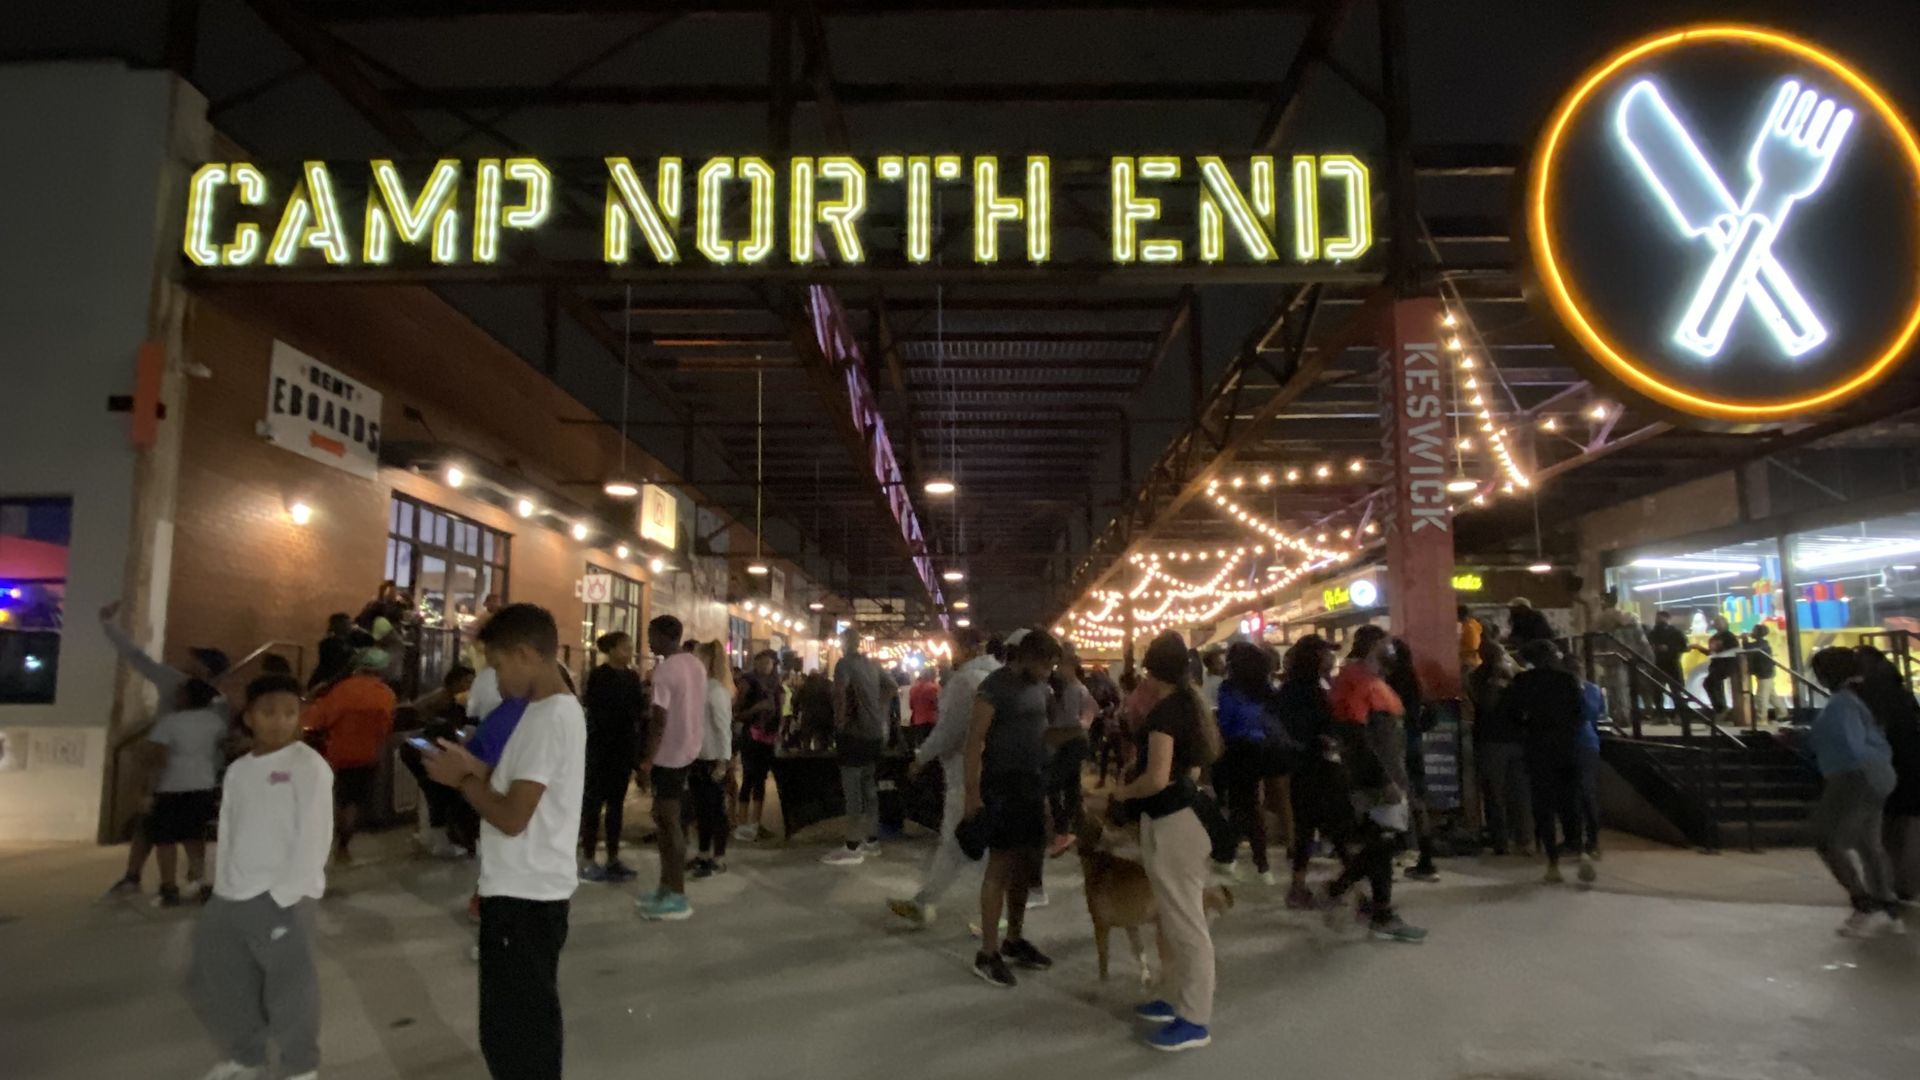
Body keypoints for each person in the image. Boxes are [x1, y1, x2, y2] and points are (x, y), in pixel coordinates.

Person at [423, 603, 588, 1079]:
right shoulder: (542, 713)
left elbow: (514, 816)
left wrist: (463, 783)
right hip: (523, 891)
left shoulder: (551, 717)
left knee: (517, 1038)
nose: (494, 680)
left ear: (524, 655)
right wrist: (475, 770)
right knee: (514, 1028)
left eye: (496, 667)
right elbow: (518, 786)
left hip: (526, 897)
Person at [190, 673, 331, 1080]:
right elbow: (229, 829)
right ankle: (246, 1057)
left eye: (290, 712)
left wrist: (288, 894)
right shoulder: (238, 770)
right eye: (269, 712)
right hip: (231, 896)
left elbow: (315, 834)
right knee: (228, 984)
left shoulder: (309, 767)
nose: (280, 721)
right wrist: (220, 885)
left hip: (280, 897)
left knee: (291, 991)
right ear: (248, 718)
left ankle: (300, 1068)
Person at [1112, 631, 1225, 1052]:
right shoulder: (1190, 707)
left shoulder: (1164, 714)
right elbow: (1189, 772)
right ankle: (1176, 997)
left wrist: (1122, 793)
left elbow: (1156, 778)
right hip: (1185, 819)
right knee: (1174, 917)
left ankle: (1195, 1018)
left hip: (1172, 825)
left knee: (1185, 922)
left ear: (1148, 670)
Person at [99, 602, 232, 900]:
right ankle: (195, 880)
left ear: (205, 669)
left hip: (166, 772)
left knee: (160, 829)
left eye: (195, 660)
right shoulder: (219, 704)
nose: (187, 661)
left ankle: (149, 880)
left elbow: (137, 658)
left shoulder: (175, 684)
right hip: (199, 777)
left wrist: (108, 625)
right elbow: (222, 741)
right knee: (186, 831)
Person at [965, 627, 1062, 988]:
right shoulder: (994, 687)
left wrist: (1049, 795)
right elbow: (973, 742)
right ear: (1027, 657)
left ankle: (1014, 939)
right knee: (1000, 866)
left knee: (1025, 865)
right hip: (1001, 786)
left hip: (1032, 784)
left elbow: (1044, 735)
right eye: (1045, 663)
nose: (1049, 671)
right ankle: (987, 952)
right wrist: (972, 795)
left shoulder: (1042, 689)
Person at [889, 628, 998, 928]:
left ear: (963, 648)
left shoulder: (964, 681)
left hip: (964, 772)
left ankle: (987, 911)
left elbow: (949, 730)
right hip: (995, 771)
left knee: (957, 840)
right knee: (974, 843)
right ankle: (927, 902)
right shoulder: (998, 676)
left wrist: (921, 757)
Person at [1326, 626, 1426, 942]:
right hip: (1376, 779)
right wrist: (1382, 779)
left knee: (1381, 842)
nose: (1391, 647)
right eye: (1386, 642)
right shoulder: (1358, 682)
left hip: (1384, 775)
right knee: (1384, 842)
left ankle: (1342, 889)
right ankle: (1379, 912)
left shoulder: (1371, 680)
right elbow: (1356, 734)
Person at [1804, 647, 1903, 937]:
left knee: (1826, 839)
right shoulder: (1865, 697)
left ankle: (1863, 903)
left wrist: (1810, 742)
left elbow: (1850, 744)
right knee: (1868, 843)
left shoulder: (1842, 703)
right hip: (1880, 773)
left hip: (1852, 776)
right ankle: (1888, 905)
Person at [1501, 640, 1593, 884]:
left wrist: (1528, 727)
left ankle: (1552, 862)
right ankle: (1581, 850)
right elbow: (1581, 713)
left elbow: (1511, 713)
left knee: (1543, 805)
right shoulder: (1568, 680)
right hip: (1567, 747)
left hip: (1538, 748)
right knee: (1571, 800)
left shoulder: (1523, 682)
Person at [132, 674, 228, 906]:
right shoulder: (215, 723)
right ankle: (203, 884)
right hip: (203, 784)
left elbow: (156, 758)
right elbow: (224, 747)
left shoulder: (170, 722)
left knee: (165, 840)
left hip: (170, 786)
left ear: (186, 697)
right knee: (195, 837)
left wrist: (145, 790)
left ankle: (169, 888)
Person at [300, 648, 397, 866]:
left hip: (335, 753)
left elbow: (317, 721)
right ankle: (343, 846)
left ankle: (327, 840)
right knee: (352, 801)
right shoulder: (386, 694)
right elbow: (386, 727)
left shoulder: (341, 690)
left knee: (335, 798)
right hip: (368, 754)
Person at [636, 615, 704, 921]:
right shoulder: (695, 664)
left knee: (668, 823)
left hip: (669, 754)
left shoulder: (665, 671)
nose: (648, 641)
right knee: (667, 822)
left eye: (651, 634)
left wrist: (647, 760)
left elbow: (659, 720)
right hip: (689, 748)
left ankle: (677, 896)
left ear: (665, 636)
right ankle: (665, 887)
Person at [1276, 635, 1342, 909]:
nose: (1332, 658)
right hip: (1315, 765)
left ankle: (1302, 887)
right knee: (1334, 827)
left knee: (1310, 827)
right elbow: (1315, 728)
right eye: (1326, 653)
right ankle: (1348, 887)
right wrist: (1323, 740)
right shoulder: (1307, 691)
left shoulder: (1301, 688)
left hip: (1304, 766)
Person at [1854, 646, 1920, 901]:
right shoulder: (1903, 696)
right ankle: (1902, 883)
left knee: (1883, 831)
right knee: (1904, 829)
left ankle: (1887, 883)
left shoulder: (1868, 697)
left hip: (1885, 767)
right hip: (1906, 765)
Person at [1212, 641, 1280, 885]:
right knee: (1249, 806)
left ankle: (1241, 859)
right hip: (1262, 751)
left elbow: (1227, 723)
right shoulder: (1264, 689)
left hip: (1238, 750)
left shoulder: (1229, 690)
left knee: (1245, 806)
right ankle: (1252, 863)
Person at [580, 632, 645, 883]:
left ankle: (613, 857)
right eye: (626, 647)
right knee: (594, 804)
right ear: (613, 649)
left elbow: (638, 709)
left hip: (622, 748)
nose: (630, 651)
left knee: (617, 805)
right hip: (601, 748)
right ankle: (588, 858)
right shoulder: (599, 675)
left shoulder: (631, 676)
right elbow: (597, 710)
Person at [826, 627, 889, 865]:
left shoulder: (844, 664)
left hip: (853, 734)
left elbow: (841, 694)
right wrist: (877, 708)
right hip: (874, 734)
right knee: (870, 789)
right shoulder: (873, 665)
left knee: (852, 791)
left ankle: (852, 846)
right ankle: (872, 841)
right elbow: (891, 686)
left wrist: (840, 723)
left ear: (844, 642)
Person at [400, 664, 478, 858]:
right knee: (438, 794)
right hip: (423, 751)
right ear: (455, 680)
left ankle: (435, 838)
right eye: (466, 681)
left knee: (436, 795)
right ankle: (440, 840)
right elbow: (444, 729)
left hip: (424, 749)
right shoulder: (443, 701)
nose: (469, 686)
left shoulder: (446, 698)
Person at [1383, 637, 1440, 882]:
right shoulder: (1416, 679)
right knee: (1417, 797)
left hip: (1395, 743)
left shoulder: (1388, 682)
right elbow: (1433, 711)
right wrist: (1417, 727)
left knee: (1391, 797)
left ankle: (1398, 851)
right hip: (1413, 740)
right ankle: (1426, 857)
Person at [1470, 638, 1529, 855]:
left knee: (1506, 794)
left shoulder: (1487, 676)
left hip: (1501, 740)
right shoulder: (1485, 677)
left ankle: (1512, 840)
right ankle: (1513, 841)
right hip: (1504, 739)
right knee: (1507, 794)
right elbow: (1489, 703)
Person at [689, 641, 734, 878]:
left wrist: (723, 760)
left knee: (715, 810)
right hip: (698, 756)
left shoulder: (716, 690)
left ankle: (719, 856)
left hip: (712, 757)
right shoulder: (701, 687)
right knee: (702, 809)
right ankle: (703, 853)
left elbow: (723, 727)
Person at [1044, 649, 1095, 860]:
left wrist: (1053, 734)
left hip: (1071, 741)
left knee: (1053, 784)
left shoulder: (1074, 690)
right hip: (1076, 741)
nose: (1058, 670)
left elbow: (1073, 721)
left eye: (1061, 666)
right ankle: (1077, 830)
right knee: (1072, 787)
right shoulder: (1077, 689)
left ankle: (1063, 832)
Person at [734, 649, 785, 842]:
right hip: (750, 737)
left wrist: (779, 731)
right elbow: (737, 712)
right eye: (761, 662)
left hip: (768, 738)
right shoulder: (748, 682)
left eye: (769, 663)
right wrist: (756, 709)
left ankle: (755, 824)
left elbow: (779, 712)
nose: (765, 666)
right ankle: (742, 823)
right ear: (755, 663)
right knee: (748, 777)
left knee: (760, 781)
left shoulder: (776, 686)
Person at [1647, 611, 1690, 716]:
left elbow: (1684, 647)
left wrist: (1669, 648)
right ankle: (1661, 714)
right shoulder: (1653, 633)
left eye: (1660, 618)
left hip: (1671, 663)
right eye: (1657, 618)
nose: (1658, 620)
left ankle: (1678, 713)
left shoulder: (1675, 632)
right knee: (1658, 691)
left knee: (1675, 690)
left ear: (1667, 618)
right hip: (1659, 663)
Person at [1702, 618, 1741, 717]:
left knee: (1709, 683)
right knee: (1715, 685)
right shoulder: (1714, 637)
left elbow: (1734, 651)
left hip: (1726, 664)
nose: (1716, 624)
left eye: (1718, 623)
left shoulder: (1729, 636)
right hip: (1715, 664)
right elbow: (1711, 652)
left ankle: (1720, 708)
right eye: (1715, 623)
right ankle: (1720, 708)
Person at [309, 613, 357, 691]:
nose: (350, 627)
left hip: (331, 681)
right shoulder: (330, 643)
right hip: (328, 680)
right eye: (348, 624)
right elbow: (335, 665)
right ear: (339, 626)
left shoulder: (345, 643)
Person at [1747, 623, 1780, 724]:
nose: (1751, 633)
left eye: (1753, 631)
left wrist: (1744, 639)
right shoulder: (1764, 643)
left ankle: (1762, 719)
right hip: (1767, 672)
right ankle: (1783, 714)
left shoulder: (1760, 644)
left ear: (1758, 633)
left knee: (1761, 697)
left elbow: (1748, 648)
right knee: (1771, 695)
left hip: (1764, 673)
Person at [907, 668, 941, 752]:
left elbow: (911, 706)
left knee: (920, 747)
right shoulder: (933, 688)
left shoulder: (913, 689)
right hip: (931, 720)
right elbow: (937, 705)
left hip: (917, 721)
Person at [1458, 605, 1484, 675]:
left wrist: (1458, 650)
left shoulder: (1470, 627)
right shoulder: (1468, 625)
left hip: (1470, 662)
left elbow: (1474, 646)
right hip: (1468, 661)